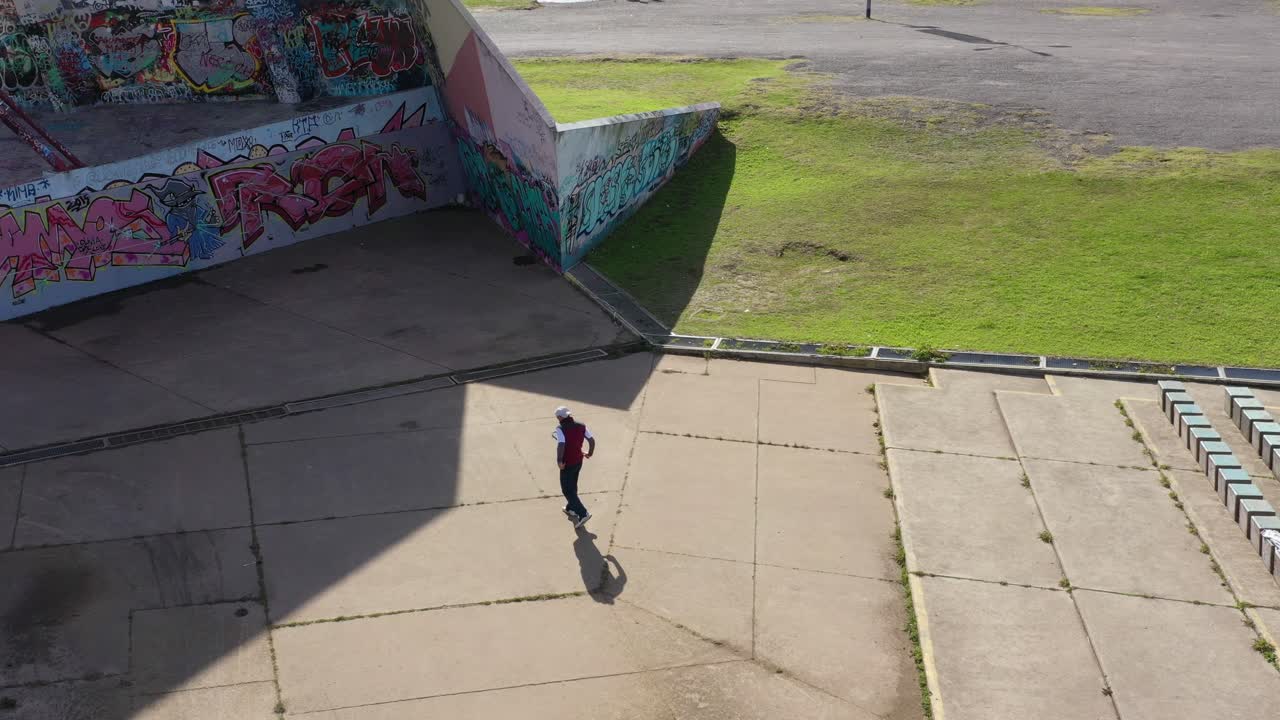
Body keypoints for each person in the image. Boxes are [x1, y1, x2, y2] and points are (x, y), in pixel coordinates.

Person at [554, 406, 595, 528]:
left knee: (567, 489)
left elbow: (561, 445)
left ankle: (583, 513)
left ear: (561, 417)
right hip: (578, 460)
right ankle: (570, 508)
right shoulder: (581, 425)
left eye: (557, 417)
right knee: (573, 484)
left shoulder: (560, 428)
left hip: (568, 463)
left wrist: (559, 461)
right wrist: (589, 453)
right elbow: (592, 440)